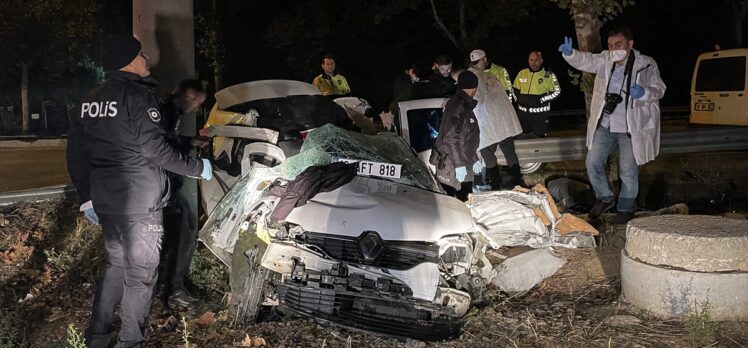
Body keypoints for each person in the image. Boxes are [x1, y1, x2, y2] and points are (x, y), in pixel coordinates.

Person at [66, 34, 213, 348]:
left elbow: (76, 153)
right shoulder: (138, 96)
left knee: (115, 266)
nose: (147, 58)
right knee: (141, 276)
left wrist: (87, 197)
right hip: (139, 201)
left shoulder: (90, 99)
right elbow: (155, 150)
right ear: (129, 60)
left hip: (106, 200)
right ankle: (130, 342)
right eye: (142, 53)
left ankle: (97, 337)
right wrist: (197, 167)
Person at [559, 27, 666, 224]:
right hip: (606, 124)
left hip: (630, 127)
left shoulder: (645, 64)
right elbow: (587, 61)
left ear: (630, 44)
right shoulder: (605, 60)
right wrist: (571, 54)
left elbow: (659, 89)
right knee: (592, 163)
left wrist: (643, 93)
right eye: (610, 45)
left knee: (628, 172)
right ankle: (604, 197)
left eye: (618, 45)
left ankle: (625, 210)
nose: (613, 49)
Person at [160, 79, 208, 309]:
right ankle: (174, 289)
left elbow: (169, 141)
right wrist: (197, 167)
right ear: (189, 95)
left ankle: (170, 288)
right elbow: (162, 149)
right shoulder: (164, 112)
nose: (197, 108)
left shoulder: (168, 111)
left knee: (181, 231)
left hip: (163, 186)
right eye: (198, 102)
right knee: (185, 230)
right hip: (162, 187)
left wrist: (189, 141)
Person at [468, 49, 524, 189]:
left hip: (489, 124)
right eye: (484, 59)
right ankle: (516, 181)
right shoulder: (487, 76)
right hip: (498, 123)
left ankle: (496, 184)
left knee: (488, 153)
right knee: (507, 151)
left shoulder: (478, 76)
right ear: (483, 59)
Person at [430, 70, 481, 201]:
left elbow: (466, 138)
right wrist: (459, 164)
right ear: (474, 88)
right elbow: (450, 138)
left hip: (463, 162)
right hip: (451, 164)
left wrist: (474, 158)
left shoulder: (465, 105)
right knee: (449, 202)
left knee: (465, 201)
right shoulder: (458, 105)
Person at [513, 51, 561, 137]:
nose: (533, 63)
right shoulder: (522, 73)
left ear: (541, 61)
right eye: (531, 60)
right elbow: (514, 90)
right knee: (522, 139)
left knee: (539, 140)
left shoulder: (548, 75)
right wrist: (519, 99)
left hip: (540, 116)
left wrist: (542, 99)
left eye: (536, 60)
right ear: (528, 61)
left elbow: (557, 91)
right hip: (523, 115)